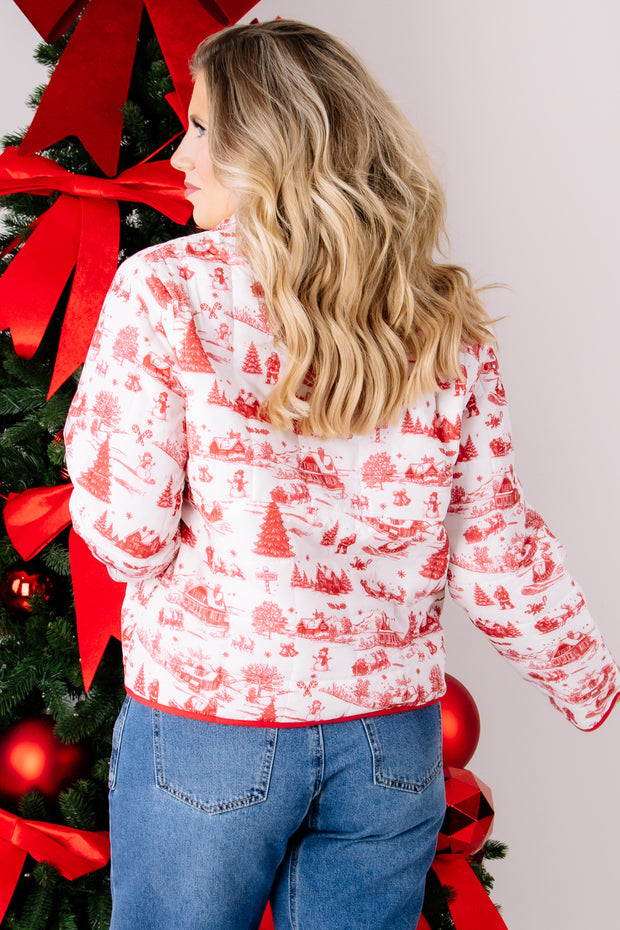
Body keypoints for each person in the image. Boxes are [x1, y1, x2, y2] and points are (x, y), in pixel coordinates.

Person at [63, 18, 619, 930]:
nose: (179, 156)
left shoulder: (164, 289)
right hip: (389, 745)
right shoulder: (439, 316)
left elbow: (130, 538)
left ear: (270, 146)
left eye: (202, 129)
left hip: (213, 726)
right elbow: (496, 548)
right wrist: (591, 684)